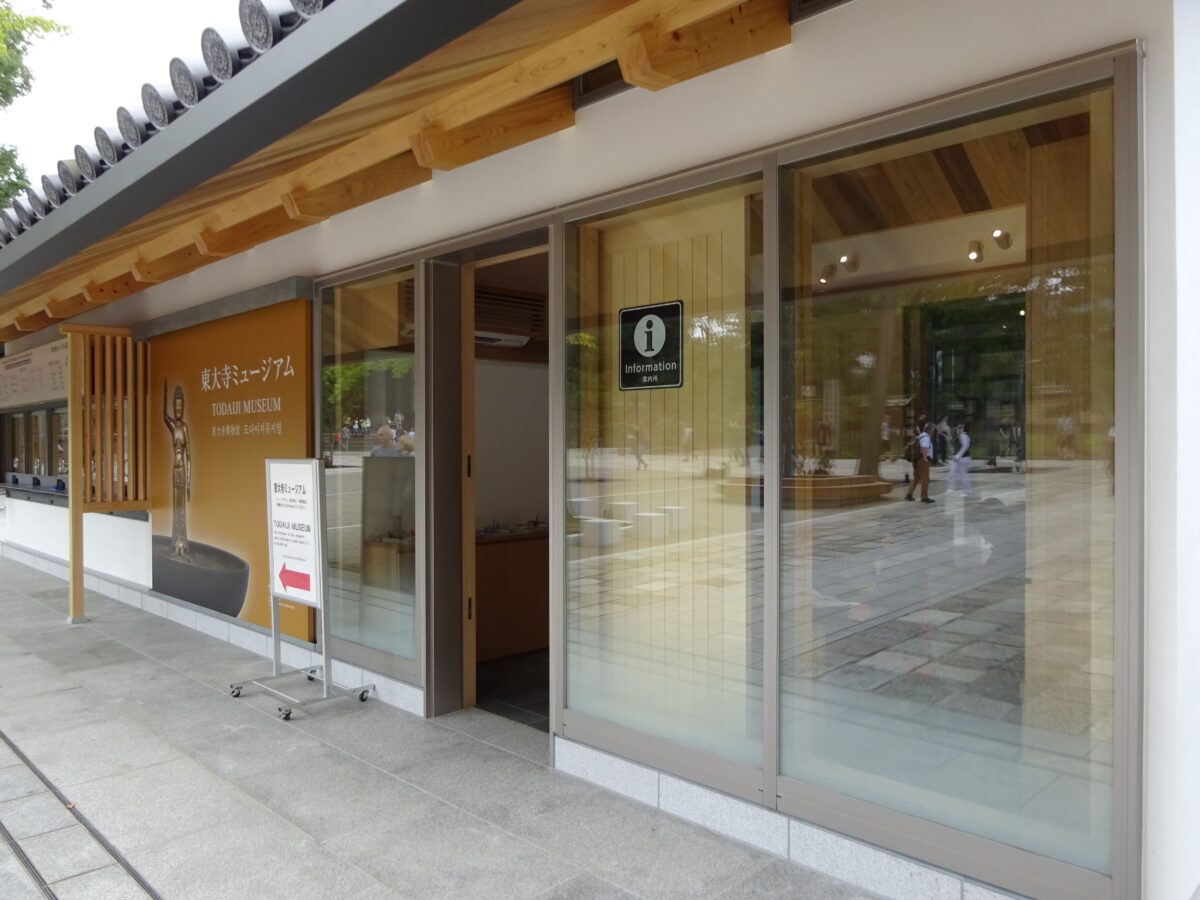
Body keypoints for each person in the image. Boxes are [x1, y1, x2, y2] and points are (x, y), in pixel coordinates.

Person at [905, 423, 935, 503]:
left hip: (916, 460)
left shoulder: (920, 436)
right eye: (933, 430)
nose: (933, 432)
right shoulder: (926, 438)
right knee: (925, 479)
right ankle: (924, 497)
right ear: (930, 430)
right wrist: (925, 458)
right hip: (922, 461)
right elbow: (924, 448)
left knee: (916, 478)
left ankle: (909, 495)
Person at [948, 423, 973, 496]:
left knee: (963, 475)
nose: (957, 429)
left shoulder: (964, 436)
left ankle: (967, 492)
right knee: (952, 474)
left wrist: (958, 456)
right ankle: (951, 490)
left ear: (963, 429)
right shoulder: (961, 436)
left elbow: (965, 447)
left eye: (959, 428)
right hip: (960, 458)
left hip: (963, 459)